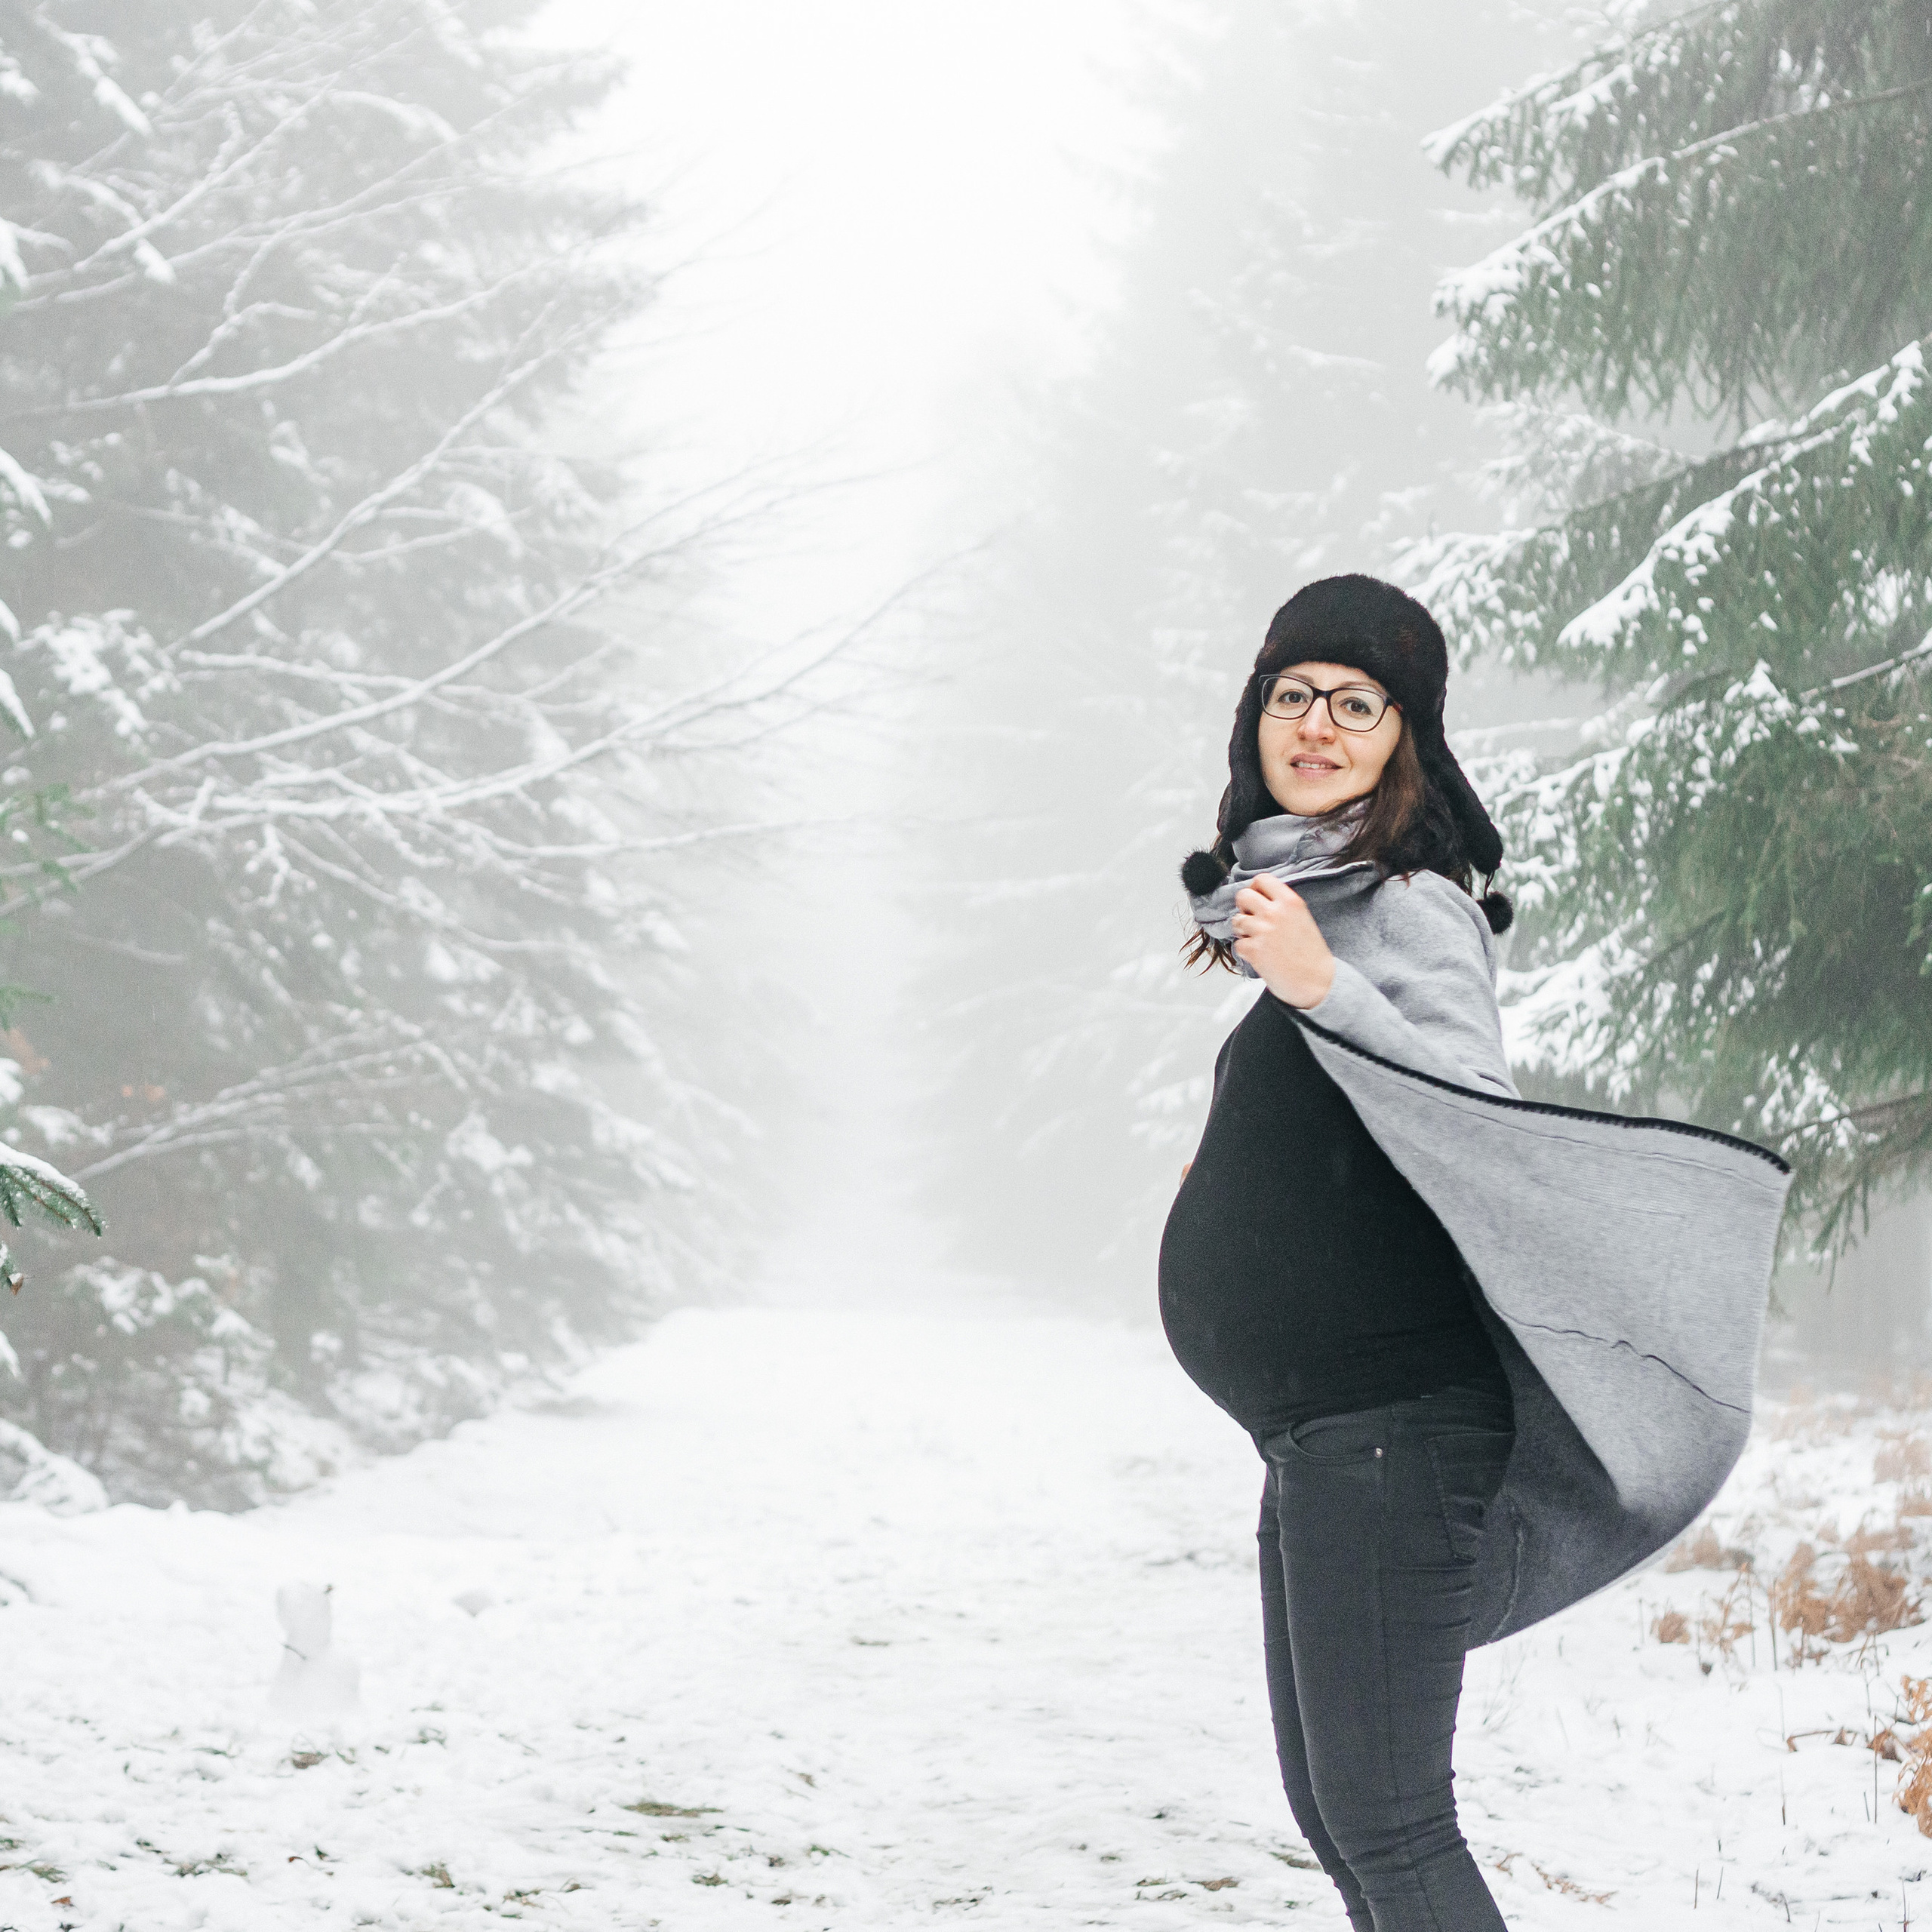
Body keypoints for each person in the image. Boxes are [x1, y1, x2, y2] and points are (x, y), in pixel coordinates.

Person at [1158, 574, 1791, 1930]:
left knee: (1392, 1826)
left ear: (1406, 735)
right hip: (1324, 1435)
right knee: (1346, 1823)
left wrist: (1322, 987)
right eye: (1291, 696)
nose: (1316, 723)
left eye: (1355, 702)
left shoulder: (1408, 905)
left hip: (1394, 1430)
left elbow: (1472, 1110)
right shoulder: (1304, 899)